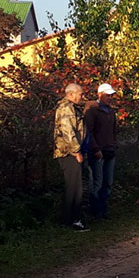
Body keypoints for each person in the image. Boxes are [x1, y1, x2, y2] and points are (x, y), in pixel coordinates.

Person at [53, 82, 89, 231]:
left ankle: (67, 219)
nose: (82, 97)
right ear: (71, 94)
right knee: (75, 188)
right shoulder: (67, 108)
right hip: (68, 153)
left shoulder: (71, 107)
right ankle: (73, 220)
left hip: (68, 152)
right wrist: (76, 151)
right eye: (80, 94)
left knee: (73, 186)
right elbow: (68, 132)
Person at [84, 82, 119, 220]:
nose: (110, 98)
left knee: (108, 182)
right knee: (97, 183)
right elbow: (89, 131)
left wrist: (114, 144)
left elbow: (113, 130)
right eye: (107, 95)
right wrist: (96, 149)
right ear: (100, 95)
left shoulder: (111, 111)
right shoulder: (92, 111)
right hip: (98, 152)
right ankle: (95, 211)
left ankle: (104, 210)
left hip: (110, 150)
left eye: (111, 95)